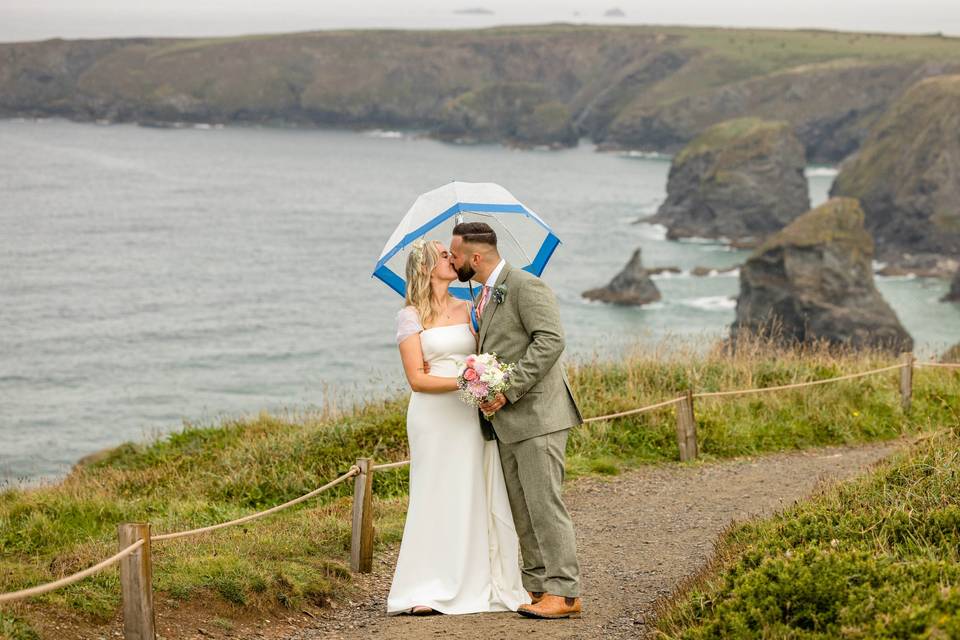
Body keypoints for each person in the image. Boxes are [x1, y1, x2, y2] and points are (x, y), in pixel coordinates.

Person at [386, 238, 529, 616]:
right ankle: (424, 586)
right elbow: (417, 379)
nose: (454, 259)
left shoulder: (470, 307)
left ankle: (479, 580)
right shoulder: (410, 316)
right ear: (425, 268)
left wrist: (484, 377)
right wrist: (465, 382)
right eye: (445, 256)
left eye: (452, 254)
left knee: (472, 490)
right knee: (433, 493)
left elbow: (485, 353)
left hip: (469, 415)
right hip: (432, 417)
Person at [449, 221, 584, 620]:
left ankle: (566, 592)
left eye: (455, 255)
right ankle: (539, 587)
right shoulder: (485, 295)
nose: (452, 261)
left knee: (544, 505)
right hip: (505, 420)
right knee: (522, 509)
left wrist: (507, 388)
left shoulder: (526, 285)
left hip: (538, 414)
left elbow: (551, 340)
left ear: (476, 257)